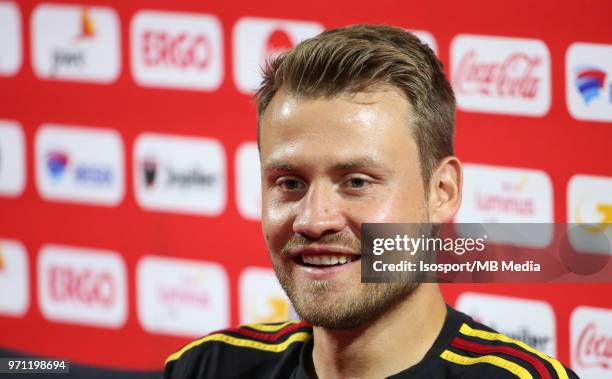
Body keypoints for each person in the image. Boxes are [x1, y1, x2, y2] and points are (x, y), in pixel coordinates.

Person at [163, 24, 578, 379]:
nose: (313, 219)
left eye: (356, 182)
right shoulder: (207, 367)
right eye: (290, 182)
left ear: (442, 192)